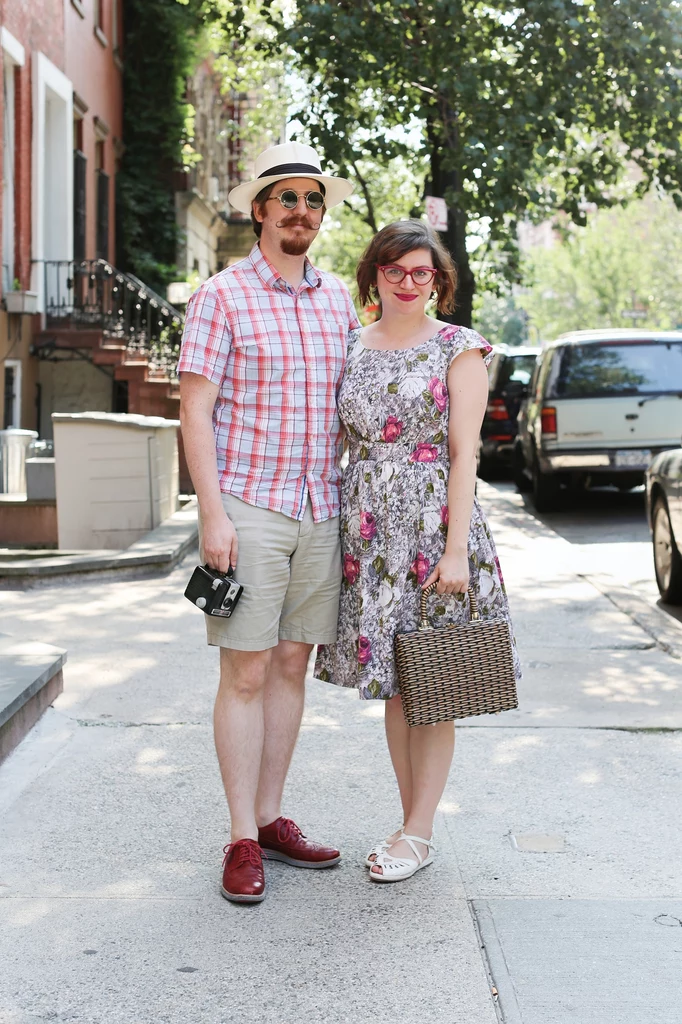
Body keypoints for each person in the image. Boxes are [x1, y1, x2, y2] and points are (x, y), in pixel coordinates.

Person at [178, 142, 360, 903]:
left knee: (291, 666)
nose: (301, 212)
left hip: (321, 506)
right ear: (259, 210)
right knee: (245, 670)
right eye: (286, 199)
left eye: (312, 201)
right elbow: (194, 409)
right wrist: (211, 514)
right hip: (249, 506)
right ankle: (239, 838)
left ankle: (272, 816)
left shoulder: (339, 299)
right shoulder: (221, 295)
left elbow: (355, 399)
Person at [315, 219, 522, 883]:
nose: (407, 282)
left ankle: (419, 831)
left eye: (420, 272)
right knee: (396, 691)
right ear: (374, 274)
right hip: (369, 529)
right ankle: (411, 827)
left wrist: (456, 549)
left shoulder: (458, 348)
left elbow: (467, 455)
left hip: (435, 526)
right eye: (395, 270)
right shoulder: (351, 345)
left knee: (433, 680)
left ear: (439, 281)